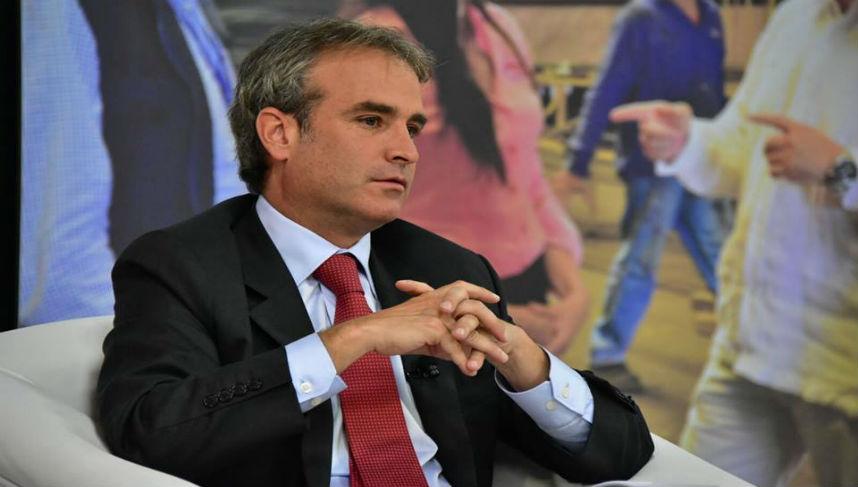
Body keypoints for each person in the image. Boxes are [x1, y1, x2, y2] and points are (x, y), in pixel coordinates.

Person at [96, 19, 653, 487]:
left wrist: (528, 365)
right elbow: (148, 431)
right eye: (371, 120)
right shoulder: (179, 265)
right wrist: (353, 339)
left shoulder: (450, 269)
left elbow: (621, 452)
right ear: (279, 134)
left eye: (413, 127)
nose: (407, 151)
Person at [610, 0, 858, 484]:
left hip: (843, 369)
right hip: (751, 343)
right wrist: (688, 143)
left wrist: (841, 171)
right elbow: (744, 144)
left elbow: (833, 167)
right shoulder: (797, 15)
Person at [353, 1, 589, 357]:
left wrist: (573, 292)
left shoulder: (496, 25)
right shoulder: (375, 41)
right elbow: (351, 203)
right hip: (427, 303)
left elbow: (526, 178)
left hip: (526, 288)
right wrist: (487, 315)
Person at [553, 0, 726, 390]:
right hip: (652, 167)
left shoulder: (711, 16)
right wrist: (578, 160)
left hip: (699, 162)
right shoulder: (642, 18)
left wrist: (723, 156)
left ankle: (749, 343)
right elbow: (607, 88)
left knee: (719, 254)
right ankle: (608, 356)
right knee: (640, 258)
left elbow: (714, 92)